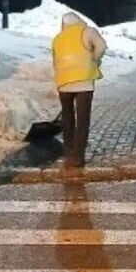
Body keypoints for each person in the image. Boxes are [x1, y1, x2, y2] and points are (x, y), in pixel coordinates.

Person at [51, 12, 107, 170]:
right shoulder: (87, 31)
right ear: (79, 21)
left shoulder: (58, 38)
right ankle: (78, 157)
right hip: (84, 83)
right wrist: (95, 59)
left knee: (67, 118)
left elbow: (55, 61)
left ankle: (68, 152)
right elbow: (102, 46)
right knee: (82, 120)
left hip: (64, 83)